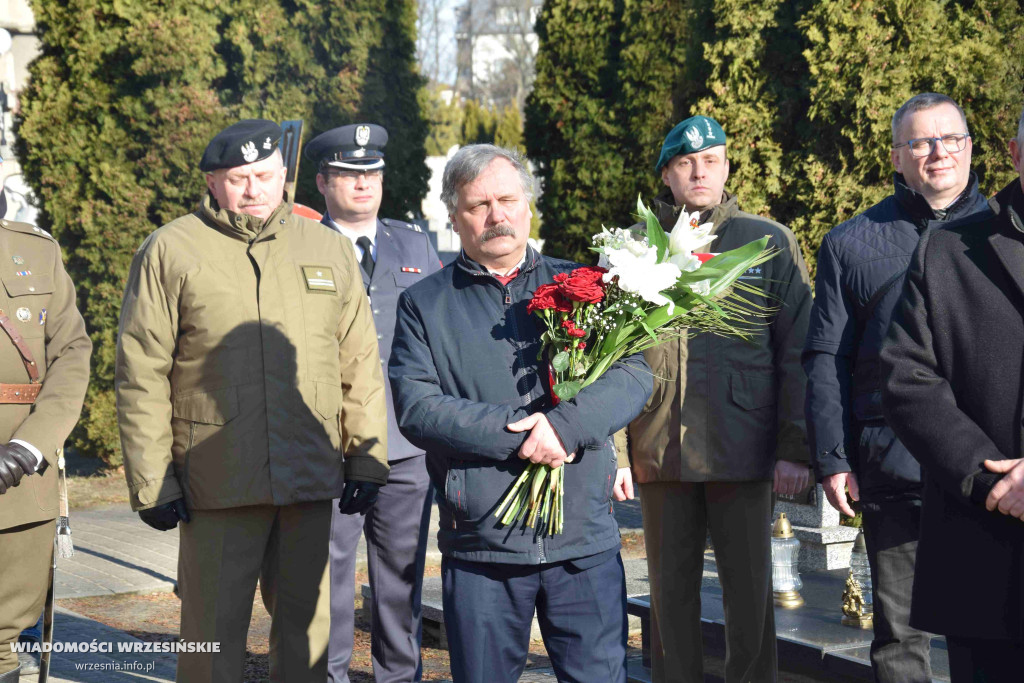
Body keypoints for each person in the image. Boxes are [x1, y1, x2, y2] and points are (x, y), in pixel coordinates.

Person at [115, 119, 389, 683]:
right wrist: (153, 480)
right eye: (237, 178)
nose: (254, 190)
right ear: (213, 182)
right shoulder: (171, 249)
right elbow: (141, 370)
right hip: (217, 480)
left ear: (283, 175)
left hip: (307, 476)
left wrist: (366, 455)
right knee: (210, 641)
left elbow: (358, 361)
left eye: (264, 175)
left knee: (307, 635)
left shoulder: (327, 248)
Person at [388, 144, 653, 683]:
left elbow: (634, 374)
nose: (496, 215)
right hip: (484, 543)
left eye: (508, 198)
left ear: (529, 204)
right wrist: (522, 434)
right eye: (478, 204)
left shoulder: (587, 287)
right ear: (454, 215)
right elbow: (418, 407)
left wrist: (565, 428)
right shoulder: (425, 303)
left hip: (582, 540)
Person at [619, 114, 812, 682]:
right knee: (668, 601)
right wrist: (612, 451)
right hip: (660, 446)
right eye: (685, 162)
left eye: (711, 160)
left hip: (742, 446)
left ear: (726, 166)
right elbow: (604, 356)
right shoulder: (634, 249)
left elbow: (797, 353)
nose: (700, 172)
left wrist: (794, 448)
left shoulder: (767, 243)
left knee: (749, 600)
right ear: (667, 175)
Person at [804, 92, 988, 682]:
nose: (938, 153)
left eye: (950, 138)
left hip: (993, 469)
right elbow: (827, 356)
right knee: (900, 637)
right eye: (921, 142)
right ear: (898, 157)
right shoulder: (851, 244)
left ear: (970, 147)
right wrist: (834, 458)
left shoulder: (1006, 233)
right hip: (896, 468)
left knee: (988, 635)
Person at [880, 107, 1024, 683]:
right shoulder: (949, 252)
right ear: (1014, 155)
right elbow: (907, 380)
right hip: (991, 550)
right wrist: (993, 481)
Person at [304, 123, 442, 683]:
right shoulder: (302, 247)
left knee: (400, 576)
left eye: (371, 174)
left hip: (405, 446)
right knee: (328, 578)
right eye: (347, 174)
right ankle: (330, 675)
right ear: (322, 182)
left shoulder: (414, 243)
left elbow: (437, 334)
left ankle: (397, 676)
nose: (362, 184)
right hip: (328, 442)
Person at [0, 153, 93, 683]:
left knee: (4, 634)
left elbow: (71, 354)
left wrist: (31, 444)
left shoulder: (36, 252)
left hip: (19, 476)